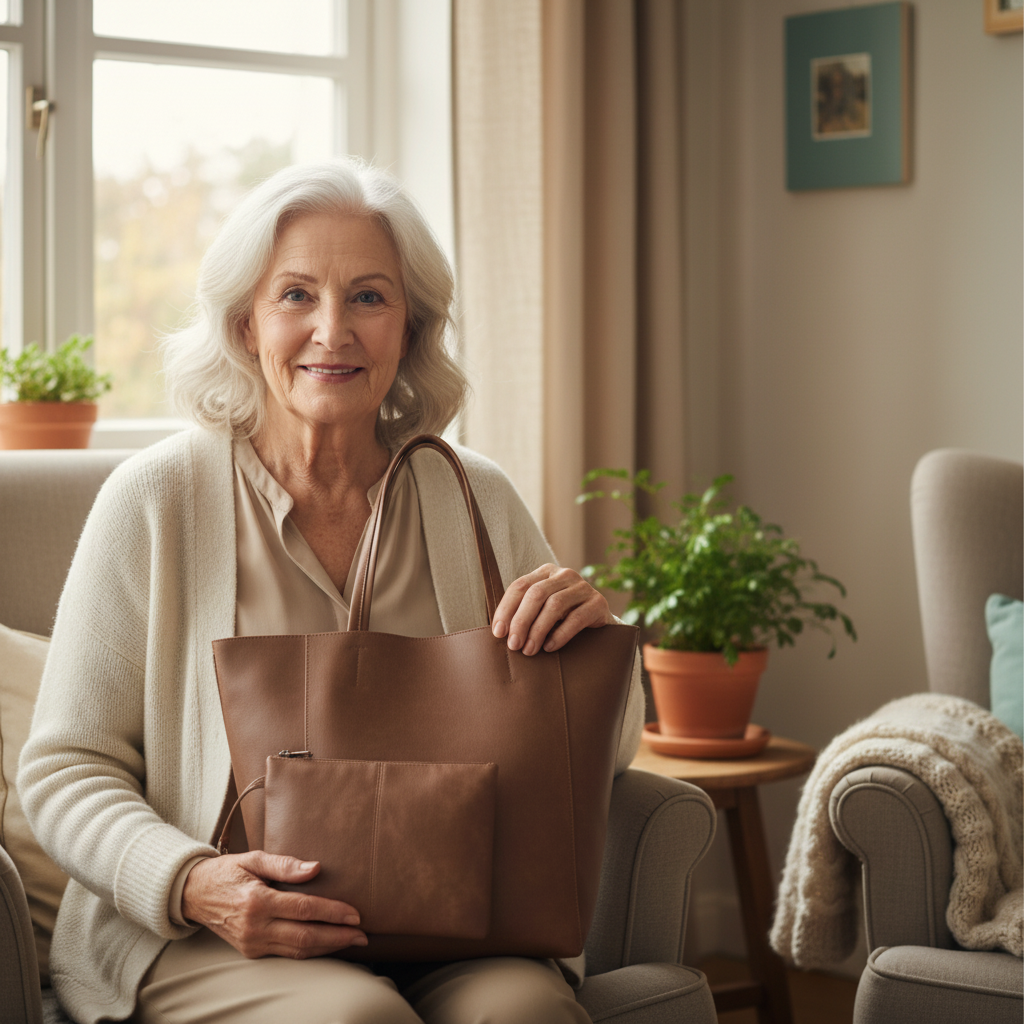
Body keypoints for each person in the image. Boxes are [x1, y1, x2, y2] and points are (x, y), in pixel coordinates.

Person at [19, 159, 644, 1024]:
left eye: (369, 297)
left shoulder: (478, 497)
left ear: (411, 327)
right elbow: (62, 769)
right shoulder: (156, 501)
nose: (332, 330)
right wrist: (194, 883)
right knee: (358, 1019)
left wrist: (587, 646)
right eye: (297, 295)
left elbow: (608, 751)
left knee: (524, 1015)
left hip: (460, 924)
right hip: (208, 934)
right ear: (245, 325)